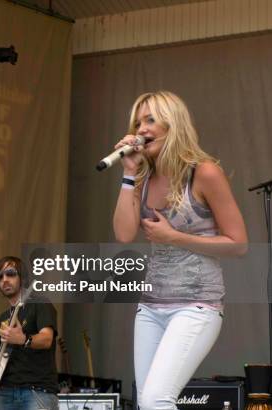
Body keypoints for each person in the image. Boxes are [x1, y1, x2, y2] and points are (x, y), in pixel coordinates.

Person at [112, 91, 247, 410]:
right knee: (147, 402)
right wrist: (128, 174)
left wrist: (174, 237)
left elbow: (238, 243)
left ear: (173, 125)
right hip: (151, 306)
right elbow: (123, 234)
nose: (141, 129)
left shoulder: (204, 172)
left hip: (196, 304)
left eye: (150, 119)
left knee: (158, 399)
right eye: (137, 122)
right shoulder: (143, 177)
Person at [0, 256, 59, 410]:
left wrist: (23, 339)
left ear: (22, 277)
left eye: (10, 273)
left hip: (36, 390)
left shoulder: (40, 304)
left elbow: (46, 338)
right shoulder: (3, 317)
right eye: (0, 276)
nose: (5, 279)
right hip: (3, 391)